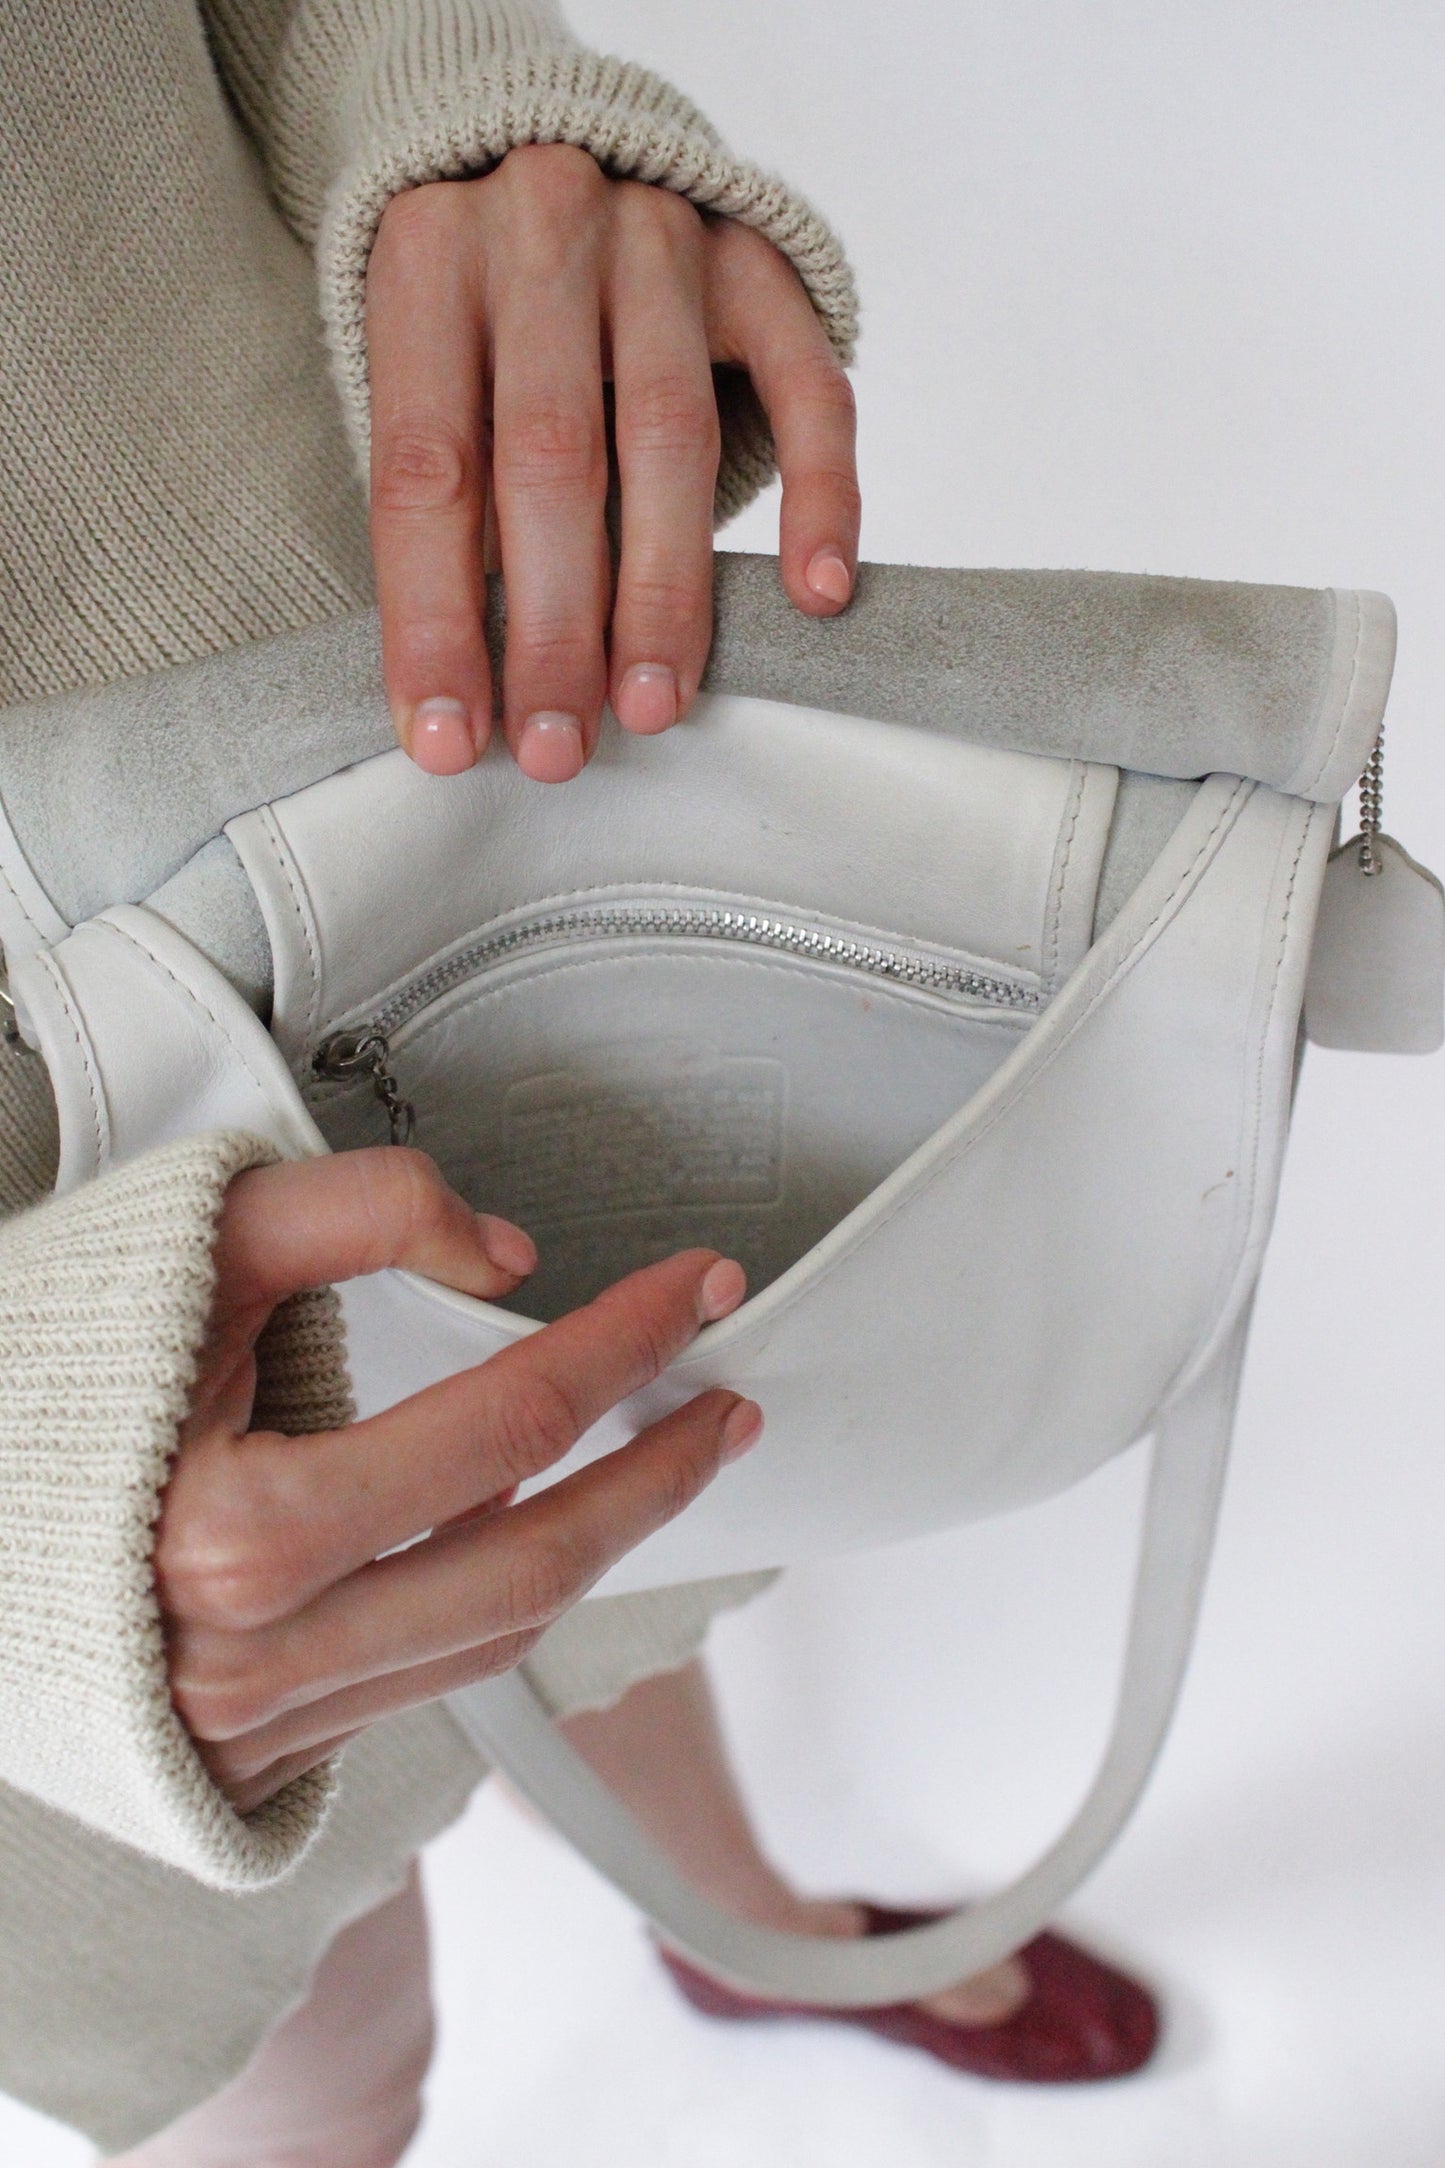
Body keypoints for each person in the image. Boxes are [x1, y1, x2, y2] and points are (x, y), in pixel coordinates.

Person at [0, 5, 1155, 2161]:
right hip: (56, 1446)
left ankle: (737, 1924)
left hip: (432, 831)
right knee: (322, 2054)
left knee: (591, 1514)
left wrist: (452, 116)